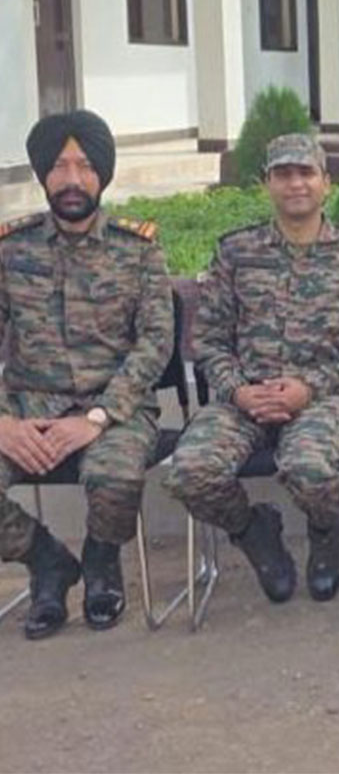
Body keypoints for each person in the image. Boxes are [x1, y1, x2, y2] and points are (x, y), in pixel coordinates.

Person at [167, 133, 339, 606]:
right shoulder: (236, 252)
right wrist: (237, 390)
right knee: (189, 471)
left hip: (324, 399)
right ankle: (254, 532)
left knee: (310, 469)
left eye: (305, 173)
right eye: (283, 174)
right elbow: (209, 338)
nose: (295, 184)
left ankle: (324, 531)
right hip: (243, 399)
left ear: (326, 183)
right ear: (266, 183)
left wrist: (310, 387)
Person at [0, 110, 173, 639]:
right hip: (27, 405)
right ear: (42, 174)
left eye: (84, 166)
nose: (72, 179)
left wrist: (97, 418)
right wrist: (3, 423)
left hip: (115, 408)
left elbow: (155, 343)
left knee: (115, 476)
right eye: (59, 166)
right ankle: (46, 561)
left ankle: (101, 561)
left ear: (102, 174)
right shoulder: (10, 249)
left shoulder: (137, 249)